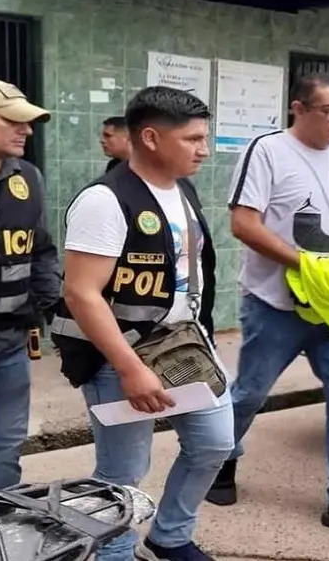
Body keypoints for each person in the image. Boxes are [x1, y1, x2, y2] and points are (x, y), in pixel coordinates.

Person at [205, 72, 329, 539]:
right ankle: (217, 462)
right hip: (276, 303)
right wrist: (307, 266)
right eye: (328, 110)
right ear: (299, 108)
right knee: (250, 392)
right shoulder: (268, 152)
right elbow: (243, 224)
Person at [49, 86, 232, 561]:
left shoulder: (182, 190)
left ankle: (170, 536)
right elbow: (81, 292)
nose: (204, 149)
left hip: (184, 346)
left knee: (215, 443)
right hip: (120, 355)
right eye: (193, 139)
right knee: (121, 472)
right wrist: (130, 369)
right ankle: (114, 554)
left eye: (204, 137)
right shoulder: (104, 201)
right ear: (150, 138)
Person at [0, 77, 61, 490]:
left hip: (8, 347)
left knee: (2, 456)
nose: (25, 129)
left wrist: (50, 309)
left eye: (28, 122)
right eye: (12, 120)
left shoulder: (28, 177)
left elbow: (40, 250)